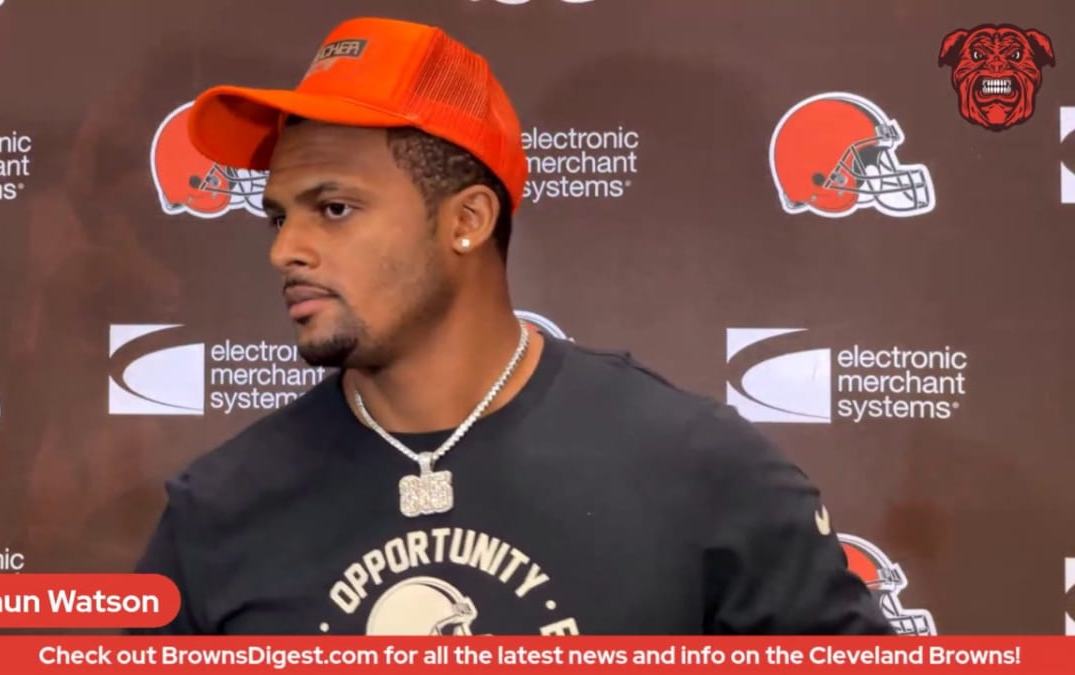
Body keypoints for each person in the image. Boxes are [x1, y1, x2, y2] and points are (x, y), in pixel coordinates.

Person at [131, 15, 895, 636]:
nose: (285, 248)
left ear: (467, 220)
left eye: (334, 208)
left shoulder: (698, 473)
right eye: (277, 215)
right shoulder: (220, 509)